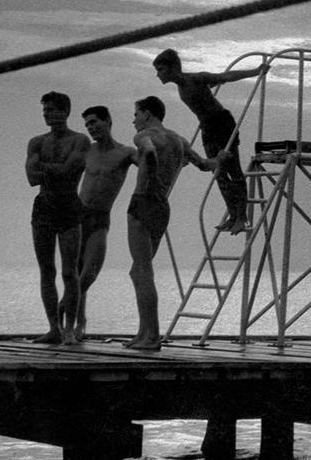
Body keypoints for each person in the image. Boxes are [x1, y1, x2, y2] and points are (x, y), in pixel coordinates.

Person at [126, 96, 216, 350]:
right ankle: (143, 332)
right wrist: (220, 158)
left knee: (143, 271)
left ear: (147, 113)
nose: (134, 121)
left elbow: (149, 150)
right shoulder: (180, 140)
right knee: (138, 271)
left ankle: (152, 336)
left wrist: (151, 173)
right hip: (162, 205)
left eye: (136, 115)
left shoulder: (143, 135)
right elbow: (204, 165)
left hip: (144, 200)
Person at [152, 48, 269, 233]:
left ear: (173, 68)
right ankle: (232, 215)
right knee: (218, 172)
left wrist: (256, 71)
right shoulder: (182, 88)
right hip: (207, 127)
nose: (158, 75)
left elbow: (226, 77)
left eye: (161, 70)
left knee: (233, 169)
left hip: (221, 123)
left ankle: (242, 217)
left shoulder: (195, 79)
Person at [26, 91, 90, 345]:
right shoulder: (36, 142)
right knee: (46, 270)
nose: (47, 115)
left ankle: (69, 329)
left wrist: (44, 167)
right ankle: (53, 328)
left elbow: (68, 171)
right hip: (43, 205)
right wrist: (52, 170)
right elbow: (31, 178)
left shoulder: (80, 140)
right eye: (44, 111)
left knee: (69, 271)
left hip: (68, 205)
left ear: (65, 111)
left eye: (51, 110)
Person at [74, 106, 137, 341]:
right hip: (78, 214)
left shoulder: (125, 152)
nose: (90, 128)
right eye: (87, 125)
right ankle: (77, 324)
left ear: (108, 121)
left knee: (89, 273)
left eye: (94, 122)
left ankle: (63, 308)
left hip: (100, 217)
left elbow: (150, 162)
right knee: (75, 273)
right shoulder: (86, 152)